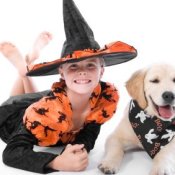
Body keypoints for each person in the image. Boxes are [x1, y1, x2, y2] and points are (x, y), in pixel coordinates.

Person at [0, 0, 137, 173]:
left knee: (35, 102)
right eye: (73, 66)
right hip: (11, 118)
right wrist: (56, 162)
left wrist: (79, 150)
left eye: (90, 65)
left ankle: (27, 67)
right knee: (14, 101)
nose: (82, 72)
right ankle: (24, 70)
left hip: (46, 103)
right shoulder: (44, 110)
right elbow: (11, 153)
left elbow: (88, 135)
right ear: (61, 73)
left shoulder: (103, 100)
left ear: (101, 71)